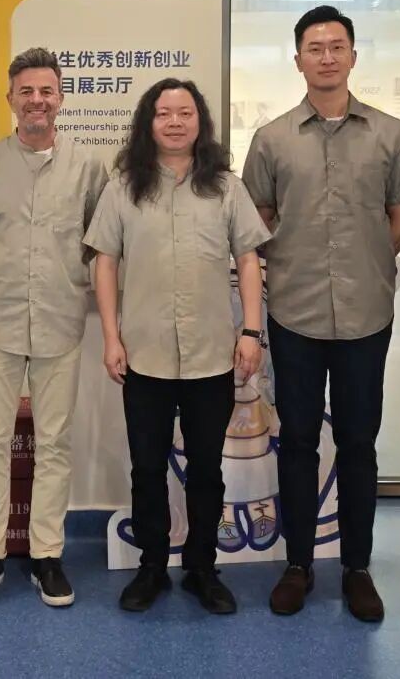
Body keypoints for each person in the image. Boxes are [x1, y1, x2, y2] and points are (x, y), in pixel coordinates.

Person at [242, 5, 400, 623]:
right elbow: (257, 221)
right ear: (297, 60)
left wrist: (363, 262)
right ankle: (298, 564)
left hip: (366, 314)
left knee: (358, 443)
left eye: (337, 46)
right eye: (315, 48)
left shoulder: (391, 134)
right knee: (296, 441)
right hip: (293, 314)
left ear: (352, 55)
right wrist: (300, 266)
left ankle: (357, 569)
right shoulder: (271, 139)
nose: (326, 56)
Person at [85, 78, 270, 616]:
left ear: (199, 122)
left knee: (207, 469)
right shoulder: (125, 187)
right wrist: (111, 337)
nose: (174, 122)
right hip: (144, 355)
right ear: (149, 122)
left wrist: (251, 331)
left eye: (184, 112)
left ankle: (202, 568)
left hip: (213, 353)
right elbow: (105, 263)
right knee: (146, 467)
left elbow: (249, 259)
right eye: (163, 113)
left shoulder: (225, 187)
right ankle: (150, 567)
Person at [0, 47, 109, 609]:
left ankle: (47, 554)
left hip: (60, 320)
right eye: (26, 92)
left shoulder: (89, 168)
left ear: (61, 98)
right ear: (11, 99)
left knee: (55, 443)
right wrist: (10, 276)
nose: (37, 100)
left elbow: (98, 242)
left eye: (46, 91)